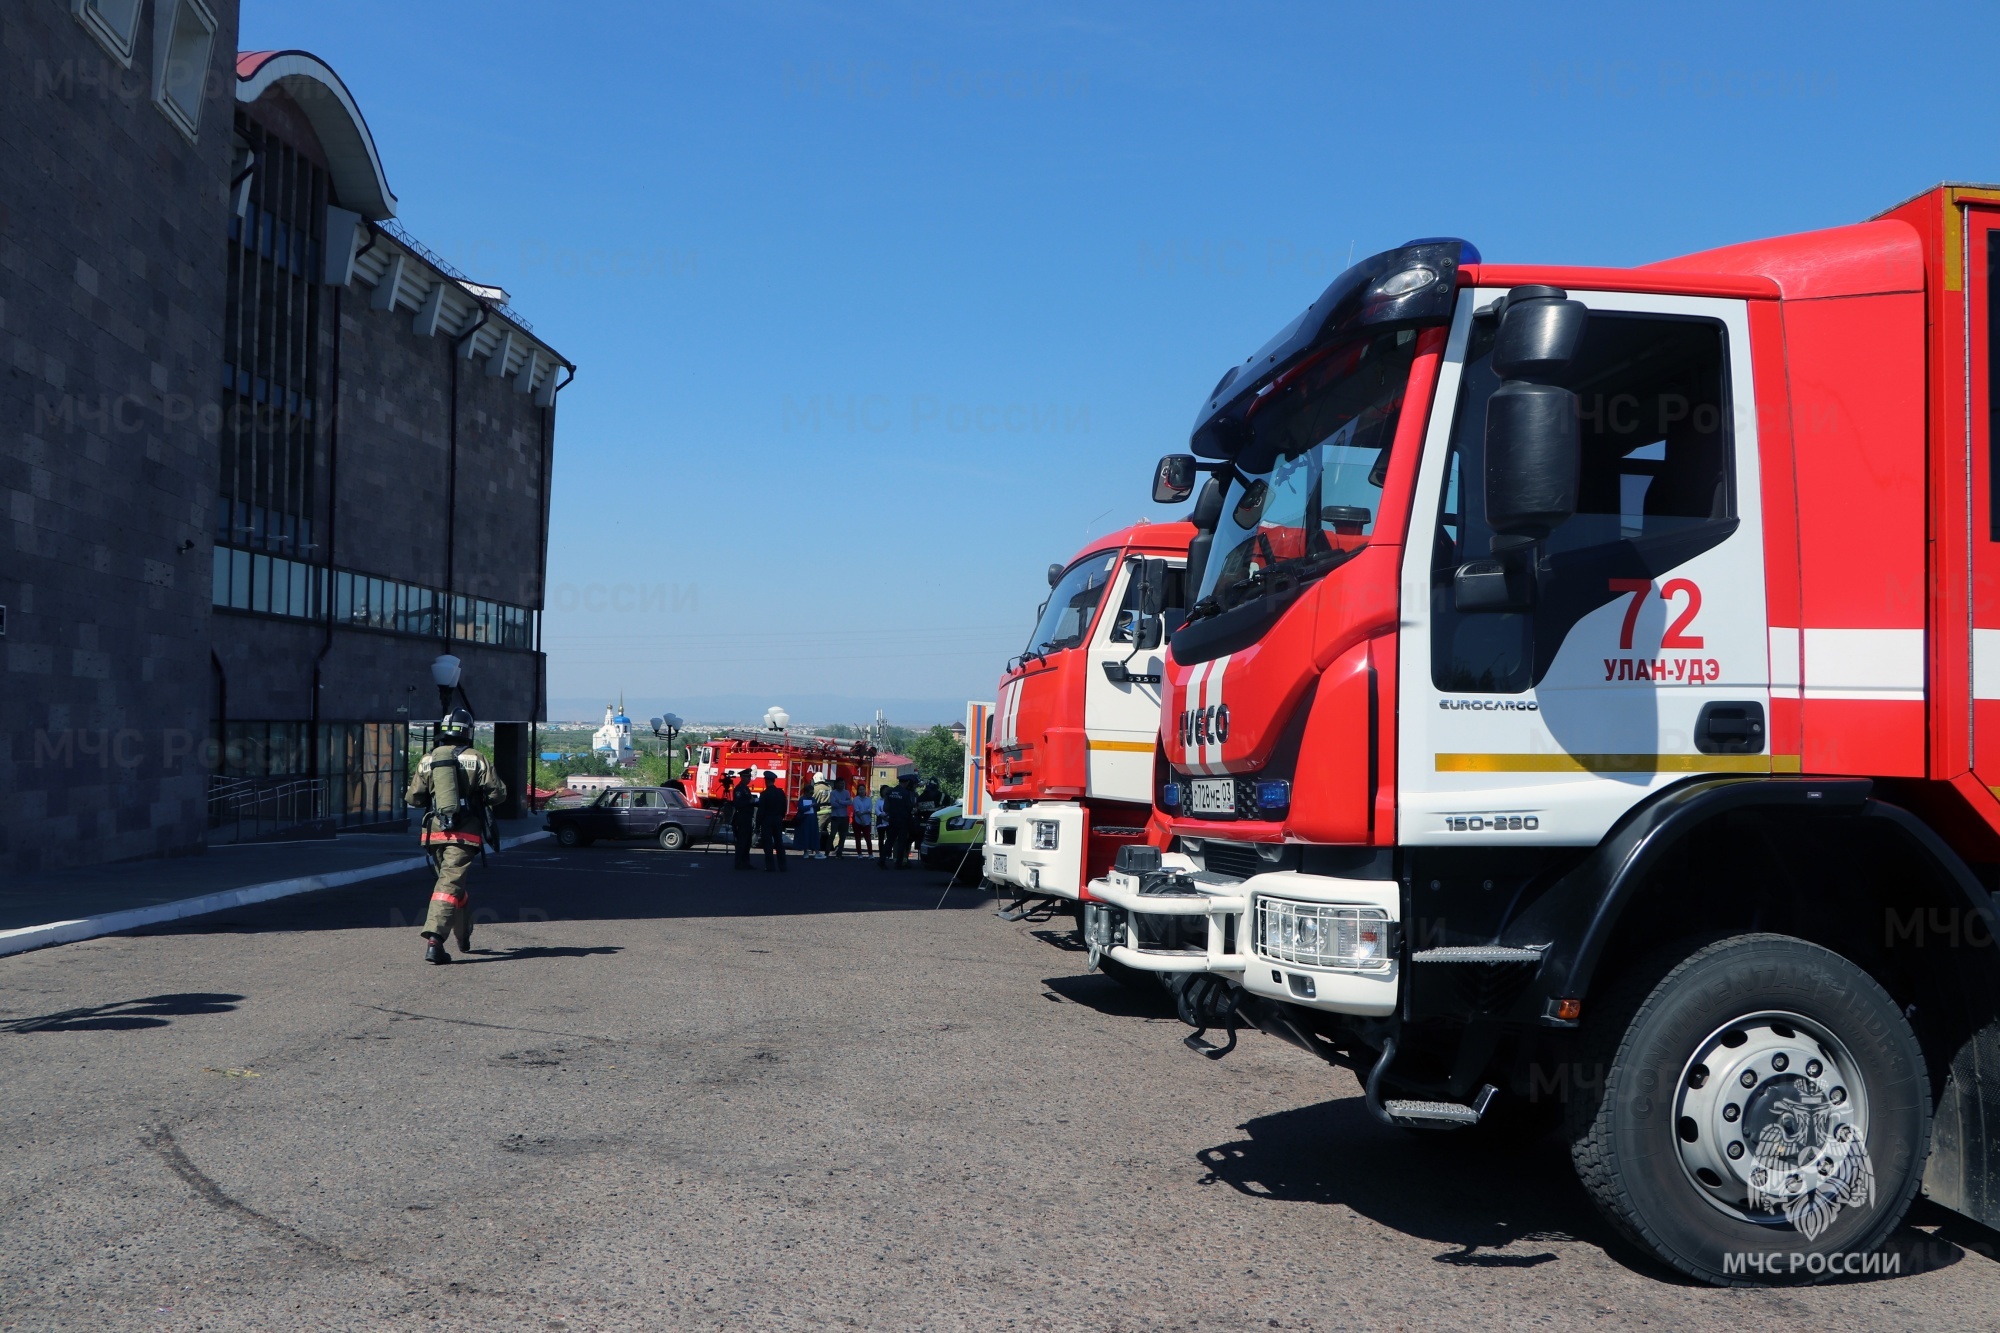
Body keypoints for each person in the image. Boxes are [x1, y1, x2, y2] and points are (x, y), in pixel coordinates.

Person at [405, 708, 506, 965]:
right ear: (468, 731)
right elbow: (498, 794)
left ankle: (463, 935)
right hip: (464, 835)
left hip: (434, 834)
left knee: (451, 884)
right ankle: (435, 939)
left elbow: (414, 798)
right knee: (449, 885)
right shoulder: (477, 758)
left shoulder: (427, 759)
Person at [756, 771, 788, 872]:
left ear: (766, 781)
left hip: (767, 821)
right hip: (778, 819)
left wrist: (757, 825)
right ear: (774, 781)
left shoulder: (764, 794)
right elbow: (784, 807)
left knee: (768, 844)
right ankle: (782, 866)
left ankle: (770, 866)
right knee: (779, 843)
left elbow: (761, 811)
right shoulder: (780, 793)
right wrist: (781, 817)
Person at [883, 779, 916, 870]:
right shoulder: (905, 793)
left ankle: (882, 860)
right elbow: (909, 807)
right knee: (902, 842)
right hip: (903, 821)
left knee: (889, 841)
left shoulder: (890, 792)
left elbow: (886, 808)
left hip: (892, 820)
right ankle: (898, 863)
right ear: (906, 782)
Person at [729, 771, 756, 871]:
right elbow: (738, 804)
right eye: (747, 777)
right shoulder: (739, 789)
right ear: (742, 777)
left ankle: (746, 862)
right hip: (741, 817)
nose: (749, 779)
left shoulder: (746, 788)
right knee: (742, 841)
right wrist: (749, 801)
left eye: (749, 777)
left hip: (747, 817)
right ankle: (739, 862)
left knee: (747, 841)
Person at [813, 774, 837, 858]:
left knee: (818, 831)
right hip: (831, 811)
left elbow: (813, 799)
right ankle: (837, 846)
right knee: (832, 831)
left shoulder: (816, 788)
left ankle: (816, 849)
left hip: (821, 812)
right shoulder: (829, 787)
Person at [795, 781, 821, 858]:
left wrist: (817, 806)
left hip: (812, 820)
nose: (812, 794)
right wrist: (810, 806)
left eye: (812, 793)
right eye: (810, 793)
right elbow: (800, 808)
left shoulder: (813, 799)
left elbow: (817, 809)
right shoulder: (802, 799)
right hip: (805, 821)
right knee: (805, 836)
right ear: (806, 792)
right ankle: (805, 851)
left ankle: (816, 851)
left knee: (813, 835)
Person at [849, 782, 874, 857]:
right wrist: (862, 817)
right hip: (857, 821)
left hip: (867, 821)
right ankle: (859, 853)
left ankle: (870, 854)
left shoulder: (868, 799)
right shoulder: (855, 799)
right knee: (858, 838)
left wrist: (862, 812)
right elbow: (857, 811)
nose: (861, 791)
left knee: (868, 838)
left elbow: (869, 810)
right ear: (858, 790)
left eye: (863, 789)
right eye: (860, 789)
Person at [827, 779, 852, 857]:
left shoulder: (846, 792)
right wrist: (844, 804)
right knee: (832, 835)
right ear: (836, 784)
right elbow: (833, 804)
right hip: (835, 816)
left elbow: (850, 802)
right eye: (840, 783)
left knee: (843, 836)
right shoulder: (833, 793)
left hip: (844, 817)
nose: (842, 785)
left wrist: (840, 801)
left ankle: (839, 852)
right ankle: (827, 852)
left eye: (843, 783)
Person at [875, 784, 896, 867]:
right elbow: (877, 810)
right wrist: (882, 815)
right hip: (881, 822)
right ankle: (881, 854)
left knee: (889, 839)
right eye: (884, 790)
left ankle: (888, 854)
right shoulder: (879, 800)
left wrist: (888, 817)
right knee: (881, 839)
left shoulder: (891, 800)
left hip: (889, 822)